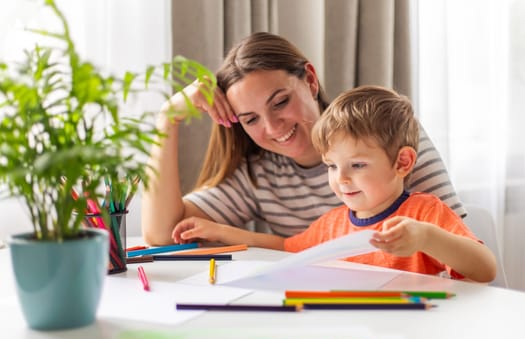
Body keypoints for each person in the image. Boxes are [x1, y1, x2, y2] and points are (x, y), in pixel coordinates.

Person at [142, 32, 466, 247]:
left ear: (310, 80)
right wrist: (166, 120)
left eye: (280, 102)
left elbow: (460, 245)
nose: (271, 127)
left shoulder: (385, 135)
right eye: (251, 119)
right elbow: (160, 235)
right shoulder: (260, 173)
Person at [172, 85, 497, 283]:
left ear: (402, 163)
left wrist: (427, 238)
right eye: (331, 166)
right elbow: (285, 247)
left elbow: (485, 269)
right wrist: (222, 232)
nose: (340, 179)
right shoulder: (333, 224)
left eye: (357, 165)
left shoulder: (425, 213)